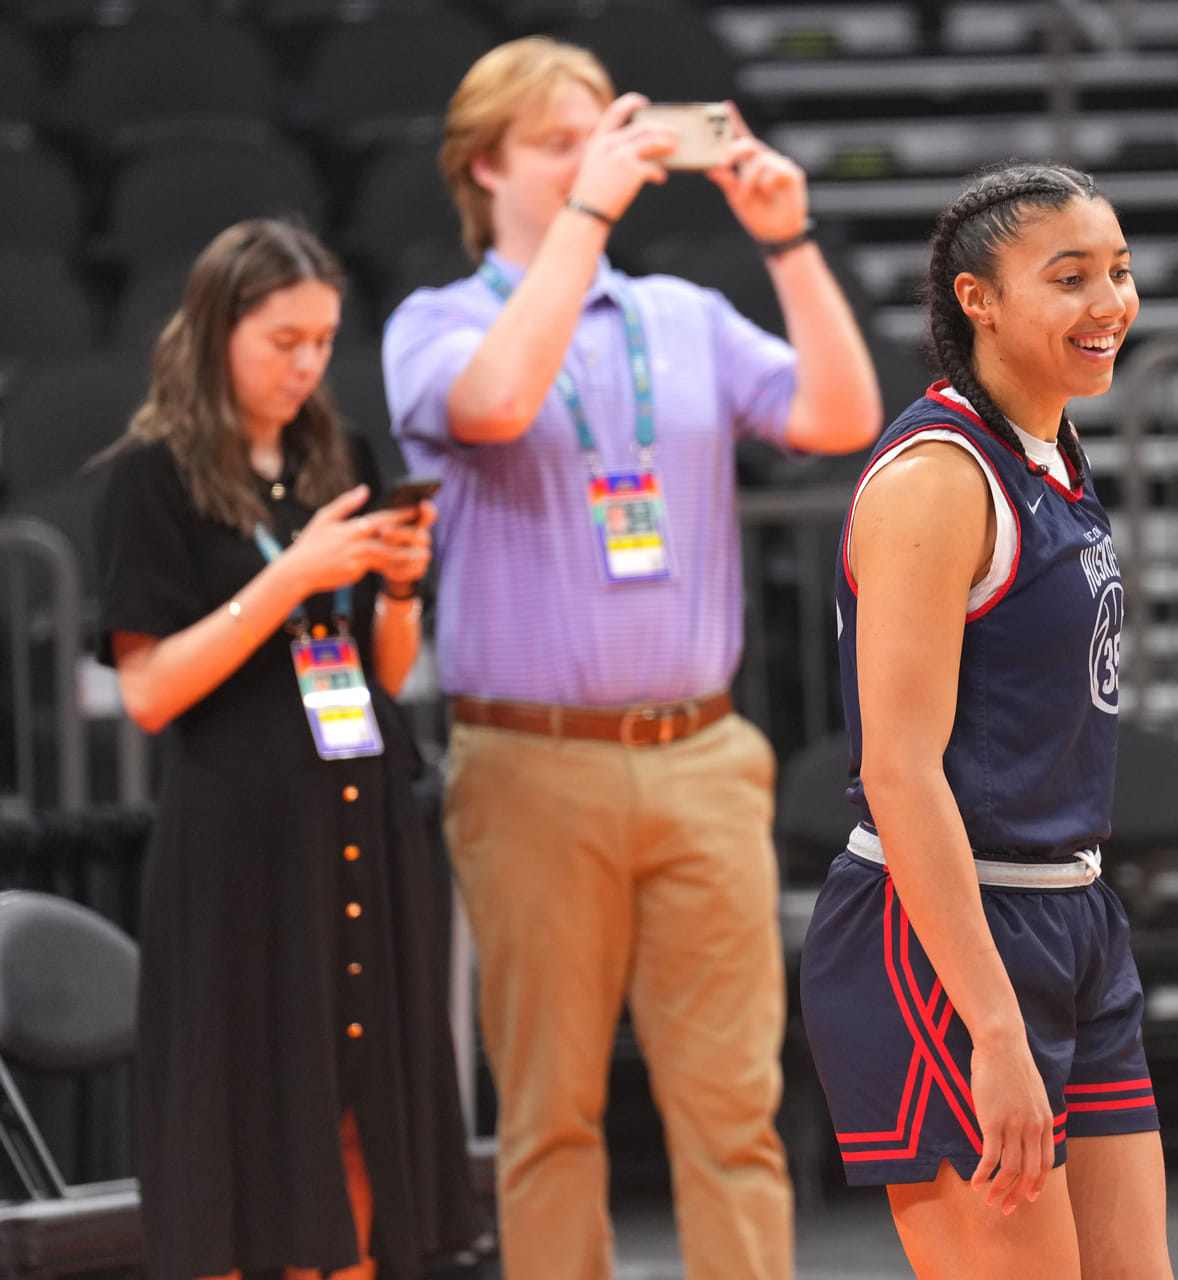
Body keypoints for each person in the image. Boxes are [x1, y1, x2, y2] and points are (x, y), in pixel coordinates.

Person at [381, 37, 882, 1280]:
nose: (595, 157)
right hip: (531, 759)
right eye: (560, 141)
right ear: (483, 164)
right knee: (550, 1110)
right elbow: (495, 406)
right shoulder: (432, 323)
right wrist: (591, 210)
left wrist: (788, 241)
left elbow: (840, 417)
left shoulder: (684, 316)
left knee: (734, 1102)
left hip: (704, 751)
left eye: (606, 133)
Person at [798, 161, 1173, 1280]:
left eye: (1118, 270)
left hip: (1072, 913)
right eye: (1069, 277)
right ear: (979, 299)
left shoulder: (1050, 446)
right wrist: (994, 1026)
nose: (1109, 301)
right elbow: (901, 770)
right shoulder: (938, 477)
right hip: (942, 940)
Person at [92, 219, 475, 1280]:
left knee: (358, 1105)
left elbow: (379, 671)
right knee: (243, 1116)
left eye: (322, 341)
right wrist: (292, 576)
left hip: (358, 812)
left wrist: (397, 583)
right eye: (283, 341)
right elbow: (151, 689)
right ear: (217, 333)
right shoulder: (147, 478)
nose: (307, 365)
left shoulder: (336, 456)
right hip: (240, 839)